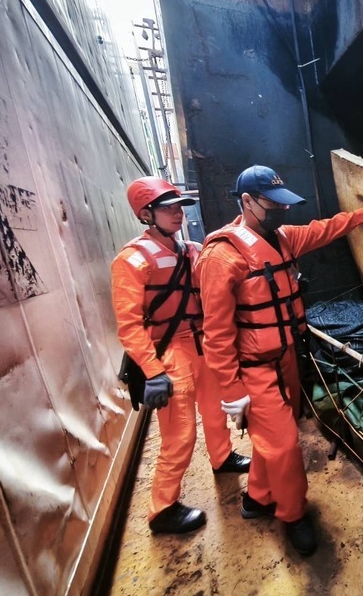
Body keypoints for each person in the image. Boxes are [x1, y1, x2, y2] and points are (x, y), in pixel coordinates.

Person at [194, 164, 363, 555]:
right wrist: (232, 391)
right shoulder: (223, 257)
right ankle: (293, 515)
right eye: (272, 205)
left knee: (273, 439)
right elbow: (216, 334)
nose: (281, 212)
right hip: (252, 369)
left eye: (283, 205)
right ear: (247, 202)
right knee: (285, 444)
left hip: (286, 355)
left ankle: (256, 497)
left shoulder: (282, 239)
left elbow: (323, 230)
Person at [111, 176, 252, 535]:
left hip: (202, 344)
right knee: (179, 435)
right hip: (169, 353)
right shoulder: (131, 260)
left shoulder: (192, 249)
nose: (177, 214)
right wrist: (153, 370)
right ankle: (163, 509)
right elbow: (129, 325)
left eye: (178, 207)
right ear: (146, 214)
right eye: (167, 208)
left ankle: (222, 458)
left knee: (216, 410)